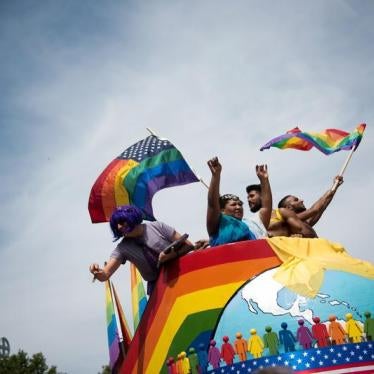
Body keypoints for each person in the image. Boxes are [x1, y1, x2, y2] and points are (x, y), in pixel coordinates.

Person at [89, 205, 197, 295]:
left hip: (183, 275)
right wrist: (96, 271)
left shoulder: (157, 226)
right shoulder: (122, 248)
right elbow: (105, 274)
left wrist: (171, 256)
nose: (119, 227)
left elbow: (188, 245)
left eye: (121, 222)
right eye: (115, 225)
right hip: (158, 289)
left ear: (131, 217)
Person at [268, 175, 344, 238]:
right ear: (289, 208)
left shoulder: (303, 222)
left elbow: (322, 206)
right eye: (296, 200)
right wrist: (331, 190)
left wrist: (335, 186)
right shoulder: (287, 221)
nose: (301, 200)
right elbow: (314, 209)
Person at [206, 157, 256, 247]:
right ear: (222, 210)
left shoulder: (246, 227)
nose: (238, 207)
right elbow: (212, 204)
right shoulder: (218, 222)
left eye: (240, 204)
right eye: (233, 205)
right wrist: (216, 175)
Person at [245, 165, 273, 238]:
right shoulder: (248, 222)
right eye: (248, 197)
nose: (249, 200)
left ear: (262, 196)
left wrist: (264, 180)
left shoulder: (258, 221)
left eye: (252, 196)